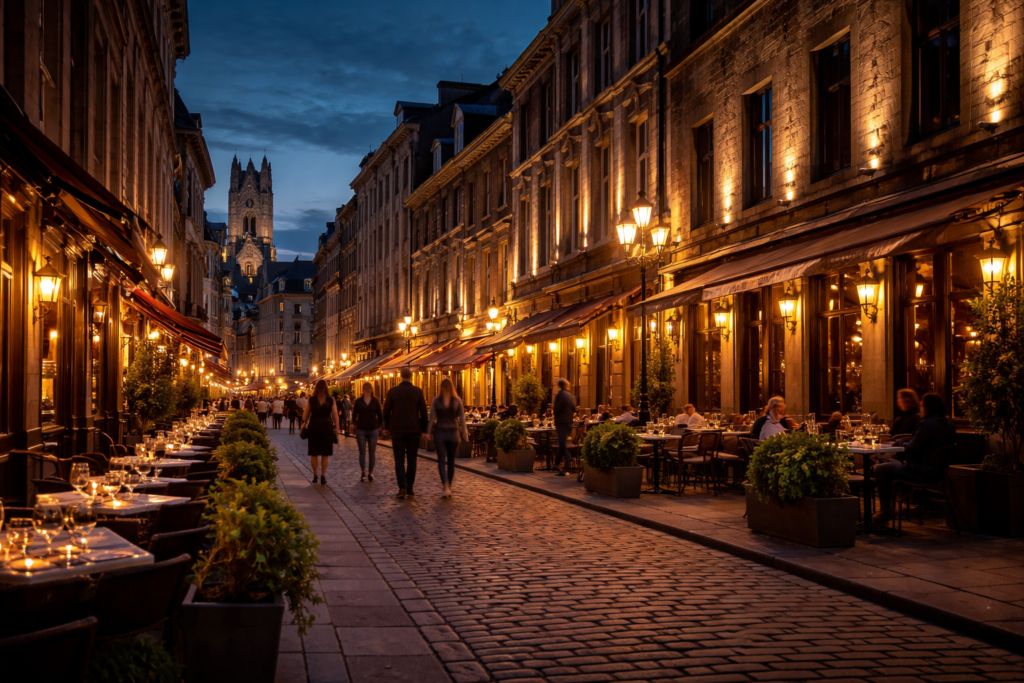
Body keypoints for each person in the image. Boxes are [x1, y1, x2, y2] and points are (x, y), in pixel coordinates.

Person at [872, 392, 956, 524]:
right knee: (886, 463)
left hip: (921, 472)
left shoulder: (926, 423)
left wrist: (901, 443)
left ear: (927, 407)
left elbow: (912, 447)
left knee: (880, 469)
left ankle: (886, 512)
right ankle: (887, 509)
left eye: (922, 406)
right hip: (938, 471)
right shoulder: (947, 422)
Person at [383, 367, 428, 499]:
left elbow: (386, 411)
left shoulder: (393, 391)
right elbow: (424, 413)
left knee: (399, 459)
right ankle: (410, 486)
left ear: (400, 376)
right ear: (412, 376)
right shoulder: (418, 392)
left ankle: (402, 486)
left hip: (397, 429)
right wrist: (424, 429)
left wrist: (386, 426)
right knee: (412, 459)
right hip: (413, 429)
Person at [427, 377, 468, 498]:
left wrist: (429, 432)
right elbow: (462, 418)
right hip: (453, 433)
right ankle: (448, 486)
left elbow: (432, 418)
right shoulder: (457, 400)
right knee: (451, 461)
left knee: (441, 460)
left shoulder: (436, 401)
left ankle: (445, 486)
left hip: (440, 432)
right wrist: (464, 432)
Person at [302, 379, 339, 485]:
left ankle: (315, 475)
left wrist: (303, 426)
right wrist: (337, 427)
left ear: (316, 388)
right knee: (325, 453)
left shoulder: (311, 400)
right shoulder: (331, 399)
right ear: (326, 388)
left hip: (314, 427)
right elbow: (335, 414)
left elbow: (305, 416)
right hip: (327, 427)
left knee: (314, 453)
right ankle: (323, 475)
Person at [352, 382, 383, 482]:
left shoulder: (375, 401)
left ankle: (370, 473)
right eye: (366, 388)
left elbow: (380, 414)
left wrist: (379, 425)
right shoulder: (358, 401)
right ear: (363, 390)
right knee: (362, 452)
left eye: (369, 388)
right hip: (361, 428)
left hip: (373, 429)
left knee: (372, 452)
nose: (367, 390)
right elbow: (354, 415)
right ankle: (363, 471)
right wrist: (355, 424)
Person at [553, 379, 576, 476]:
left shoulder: (560, 395)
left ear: (559, 386)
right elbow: (574, 409)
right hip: (569, 422)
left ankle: (566, 466)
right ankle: (556, 464)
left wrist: (556, 416)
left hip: (561, 422)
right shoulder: (570, 396)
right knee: (562, 443)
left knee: (562, 445)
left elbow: (556, 409)